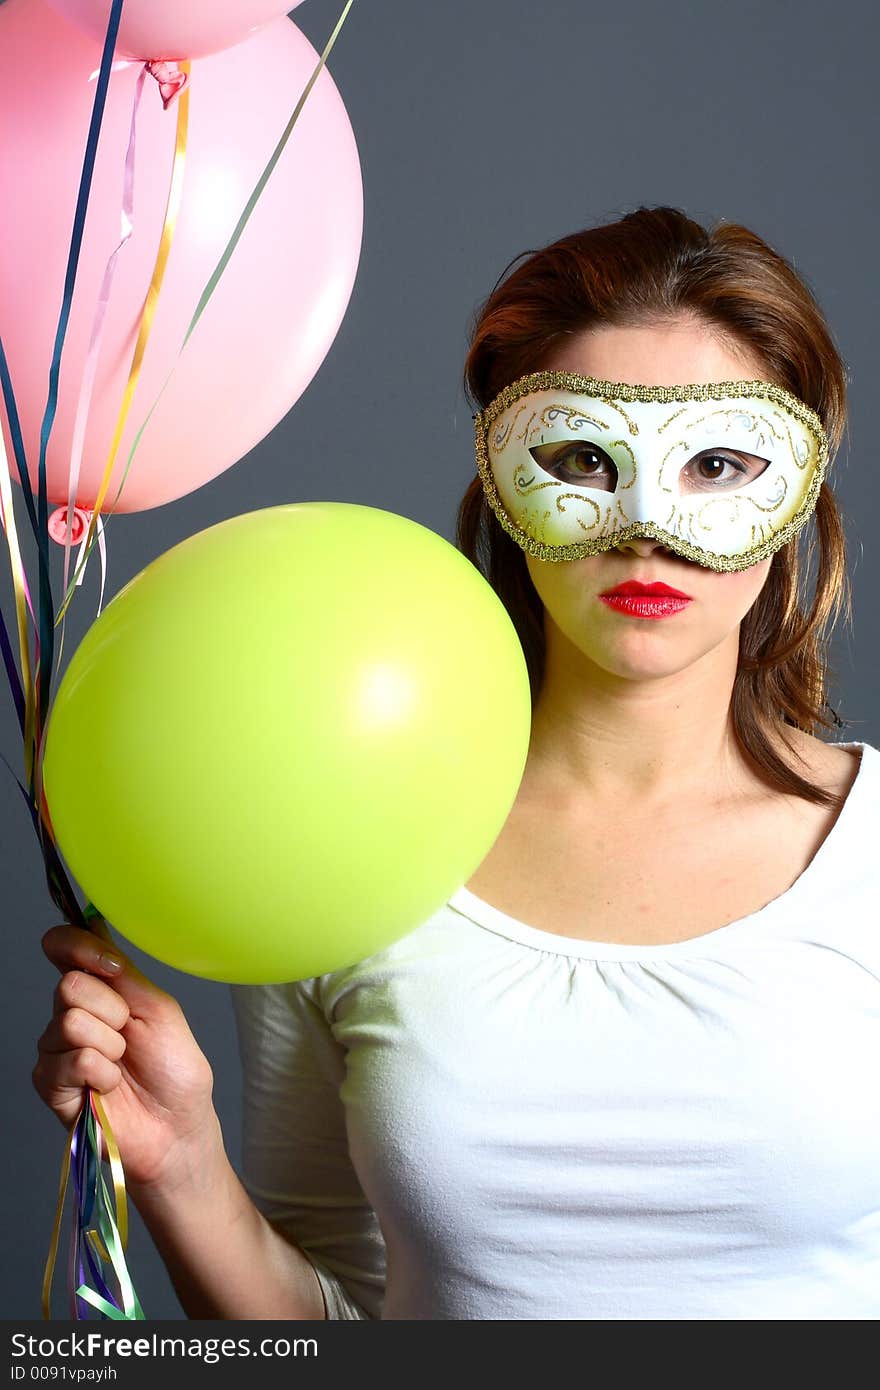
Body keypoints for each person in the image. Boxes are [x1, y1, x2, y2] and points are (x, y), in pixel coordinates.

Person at [34, 206, 880, 1320]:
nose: (645, 529)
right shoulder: (348, 843)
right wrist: (182, 1162)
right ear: (500, 481)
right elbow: (327, 1323)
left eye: (719, 464)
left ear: (796, 501)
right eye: (580, 458)